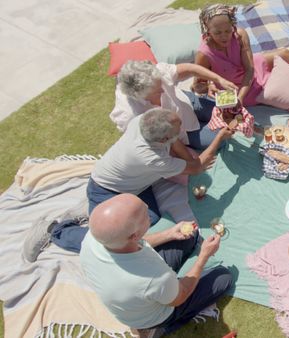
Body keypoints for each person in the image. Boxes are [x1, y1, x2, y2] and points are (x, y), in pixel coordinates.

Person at [80, 193, 233, 337]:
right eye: (144, 214)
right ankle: (159, 328)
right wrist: (203, 256)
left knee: (188, 237)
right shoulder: (153, 277)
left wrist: (170, 234)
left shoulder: (93, 238)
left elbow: (135, 242)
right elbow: (181, 296)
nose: (147, 205)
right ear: (134, 235)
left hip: (136, 296)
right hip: (155, 314)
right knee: (223, 277)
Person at [90, 107, 233, 225]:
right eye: (179, 128)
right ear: (163, 139)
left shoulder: (144, 120)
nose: (182, 129)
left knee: (150, 218)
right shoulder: (152, 158)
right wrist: (219, 136)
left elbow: (175, 142)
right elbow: (197, 169)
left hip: (137, 185)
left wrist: (190, 160)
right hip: (107, 189)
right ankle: (70, 234)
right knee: (110, 232)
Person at [194, 4, 289, 108]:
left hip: (250, 70)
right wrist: (210, 86)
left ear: (233, 25)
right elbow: (196, 87)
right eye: (218, 33)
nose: (224, 36)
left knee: (284, 53)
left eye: (228, 30)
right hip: (239, 88)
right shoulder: (204, 54)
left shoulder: (240, 35)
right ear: (208, 31)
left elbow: (250, 69)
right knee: (280, 87)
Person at [111, 60, 237, 150]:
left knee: (229, 111)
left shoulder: (157, 71)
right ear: (140, 96)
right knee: (222, 138)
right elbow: (151, 145)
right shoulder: (129, 115)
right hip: (181, 133)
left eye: (161, 84)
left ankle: (207, 109)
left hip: (186, 103)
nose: (162, 90)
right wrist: (183, 153)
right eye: (156, 91)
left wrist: (219, 80)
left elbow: (190, 69)